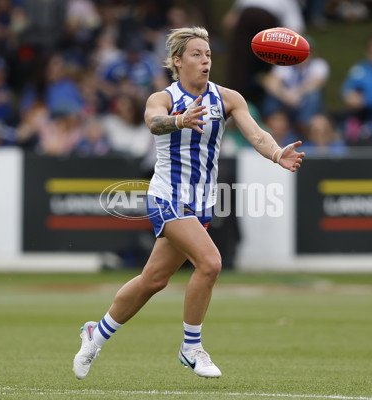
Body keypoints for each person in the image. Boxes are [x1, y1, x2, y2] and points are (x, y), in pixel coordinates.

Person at [73, 26, 305, 380]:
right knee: (210, 263)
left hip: (201, 203)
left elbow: (256, 134)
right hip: (167, 196)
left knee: (153, 280)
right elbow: (154, 122)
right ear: (178, 62)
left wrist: (277, 153)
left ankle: (97, 333)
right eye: (197, 54)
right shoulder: (163, 98)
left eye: (208, 54)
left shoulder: (228, 98)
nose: (205, 61)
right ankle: (191, 347)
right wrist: (180, 119)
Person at [261, 46, 329, 139]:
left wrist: (297, 93)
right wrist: (284, 95)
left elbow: (316, 83)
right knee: (271, 98)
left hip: (304, 101)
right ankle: (268, 127)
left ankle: (304, 129)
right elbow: (271, 82)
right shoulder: (285, 63)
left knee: (313, 97)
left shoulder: (318, 64)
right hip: (285, 101)